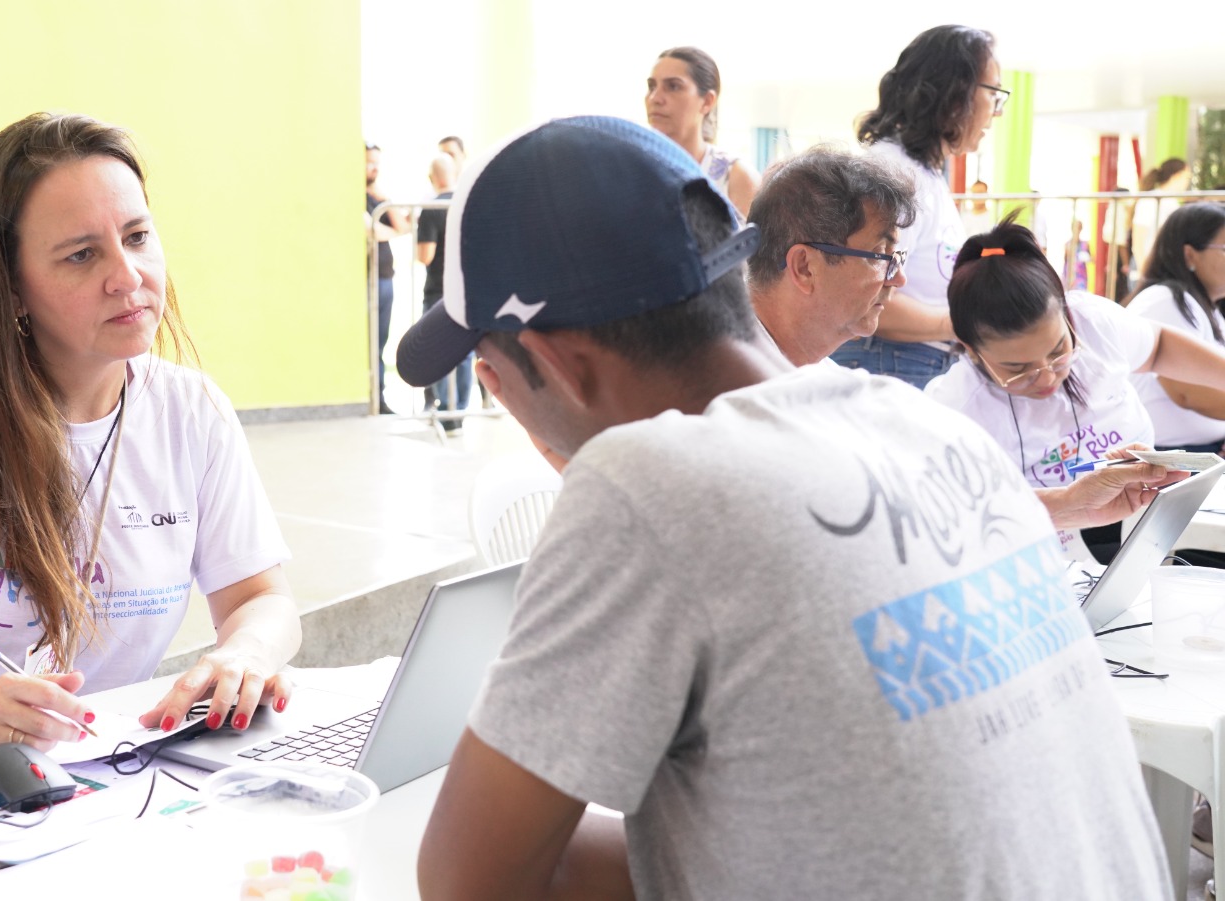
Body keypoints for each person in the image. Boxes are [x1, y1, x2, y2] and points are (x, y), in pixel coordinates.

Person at [397, 115, 1168, 900]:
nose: (493, 395)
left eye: (490, 375)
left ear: (562, 364)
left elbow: (470, 881)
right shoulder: (930, 427)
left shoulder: (651, 487)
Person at [0, 113, 302, 791]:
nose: (128, 277)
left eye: (138, 237)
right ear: (12, 286)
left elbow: (263, 597)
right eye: (81, 255)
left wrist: (246, 651)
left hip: (83, 764)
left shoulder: (192, 410)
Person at [747, 147, 1177, 531]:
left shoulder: (829, 384)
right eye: (882, 256)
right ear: (805, 267)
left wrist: (1069, 506)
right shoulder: (730, 387)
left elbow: (924, 507)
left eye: (899, 257)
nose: (900, 277)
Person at [925, 215, 1225, 560]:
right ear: (971, 349)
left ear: (1067, 315)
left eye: (1058, 352)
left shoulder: (1094, 323)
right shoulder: (955, 406)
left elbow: (1157, 348)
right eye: (1017, 369)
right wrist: (1068, 506)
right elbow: (956, 512)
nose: (1047, 377)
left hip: (1143, 519)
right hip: (1037, 552)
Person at [829, 25, 1004, 388]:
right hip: (891, 363)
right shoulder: (895, 171)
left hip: (908, 360)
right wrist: (959, 325)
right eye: (994, 94)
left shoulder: (922, 173)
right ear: (956, 95)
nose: (996, 112)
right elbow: (862, 293)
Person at [1127, 202, 1225, 452]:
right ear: (1190, 254)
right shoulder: (1166, 300)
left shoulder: (1207, 307)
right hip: (1169, 460)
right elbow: (1187, 392)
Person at [645, 46, 758, 217]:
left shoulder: (736, 179)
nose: (655, 98)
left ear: (707, 101)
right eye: (652, 86)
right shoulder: (634, 168)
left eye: (673, 86)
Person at [415, 153, 471, 430]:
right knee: (464, 353)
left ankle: (446, 411)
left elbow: (425, 256)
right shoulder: (468, 202)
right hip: (467, 288)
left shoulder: (431, 208)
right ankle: (459, 412)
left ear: (431, 177)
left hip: (438, 289)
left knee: (438, 350)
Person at [367, 143, 409, 415]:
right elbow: (372, 231)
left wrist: (384, 200)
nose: (374, 168)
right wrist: (389, 231)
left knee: (380, 341)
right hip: (367, 281)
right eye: (369, 162)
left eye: (377, 163)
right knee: (369, 342)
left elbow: (404, 227)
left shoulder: (376, 197)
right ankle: (371, 399)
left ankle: (380, 399)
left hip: (385, 278)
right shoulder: (353, 196)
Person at [1132, 157, 1192, 277]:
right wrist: (1144, 271)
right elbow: (1138, 239)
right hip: (1148, 267)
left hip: (1162, 268)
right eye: (1187, 178)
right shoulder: (1151, 200)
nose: (1187, 183)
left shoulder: (1171, 201)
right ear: (1176, 176)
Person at [1063, 218, 1091, 290]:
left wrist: (1086, 257)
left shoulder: (1085, 245)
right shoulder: (1068, 245)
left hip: (1081, 278)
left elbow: (1092, 259)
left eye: (1078, 228)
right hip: (1070, 278)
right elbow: (1065, 262)